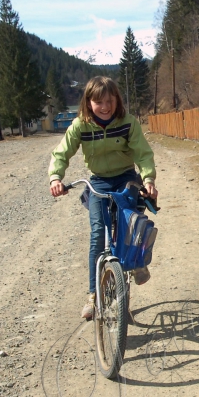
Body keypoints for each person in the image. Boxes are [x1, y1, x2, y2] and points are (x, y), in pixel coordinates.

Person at [48, 76, 158, 319]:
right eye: (99, 102)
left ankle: (137, 262)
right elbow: (62, 152)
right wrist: (56, 178)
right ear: (89, 103)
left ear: (117, 100)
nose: (105, 107)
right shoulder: (80, 125)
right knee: (98, 234)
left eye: (110, 101)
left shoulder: (128, 123)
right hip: (98, 181)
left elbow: (143, 154)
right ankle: (93, 294)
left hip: (125, 177)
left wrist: (148, 179)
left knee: (132, 224)